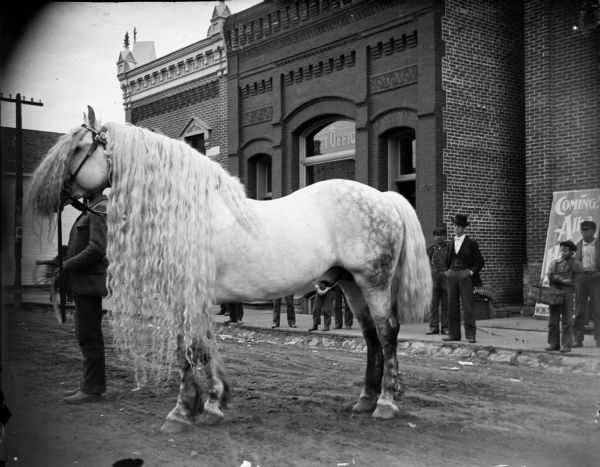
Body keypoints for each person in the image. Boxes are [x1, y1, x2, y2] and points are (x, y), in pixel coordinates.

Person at [62, 190, 109, 404]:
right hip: (83, 282)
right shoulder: (92, 208)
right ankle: (89, 384)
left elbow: (97, 249)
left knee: (89, 335)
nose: (79, 188)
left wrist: (67, 265)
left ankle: (92, 389)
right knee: (85, 333)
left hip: (89, 283)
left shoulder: (100, 209)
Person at [443, 214, 484, 344]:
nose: (456, 228)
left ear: (464, 228)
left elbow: (480, 262)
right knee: (451, 306)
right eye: (455, 225)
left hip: (465, 275)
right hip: (452, 276)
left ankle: (471, 335)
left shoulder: (471, 243)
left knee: (467, 306)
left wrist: (471, 272)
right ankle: (454, 334)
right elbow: (446, 261)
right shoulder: (450, 243)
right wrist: (447, 272)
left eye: (459, 226)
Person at [546, 240, 580, 353]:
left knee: (567, 320)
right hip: (554, 294)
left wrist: (567, 282)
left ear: (571, 252)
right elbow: (550, 275)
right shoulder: (554, 263)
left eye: (566, 250)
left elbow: (578, 280)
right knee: (553, 320)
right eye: (562, 249)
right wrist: (563, 280)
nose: (563, 252)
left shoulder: (576, 264)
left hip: (568, 294)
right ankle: (553, 343)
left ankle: (566, 344)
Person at [573, 220, 600, 348]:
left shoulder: (599, 245)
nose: (583, 232)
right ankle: (577, 339)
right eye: (582, 230)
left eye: (587, 230)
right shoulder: (577, 245)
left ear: (594, 231)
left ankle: (599, 339)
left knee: (598, 310)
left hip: (596, 279)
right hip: (581, 280)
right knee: (579, 310)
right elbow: (574, 263)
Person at [426, 227, 450, 335]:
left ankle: (445, 327)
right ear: (434, 237)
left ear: (445, 236)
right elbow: (425, 262)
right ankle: (433, 327)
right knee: (433, 304)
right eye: (437, 236)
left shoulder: (449, 248)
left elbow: (452, 261)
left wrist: (448, 271)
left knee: (446, 303)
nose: (439, 238)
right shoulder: (430, 248)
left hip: (446, 278)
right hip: (434, 278)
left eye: (441, 235)